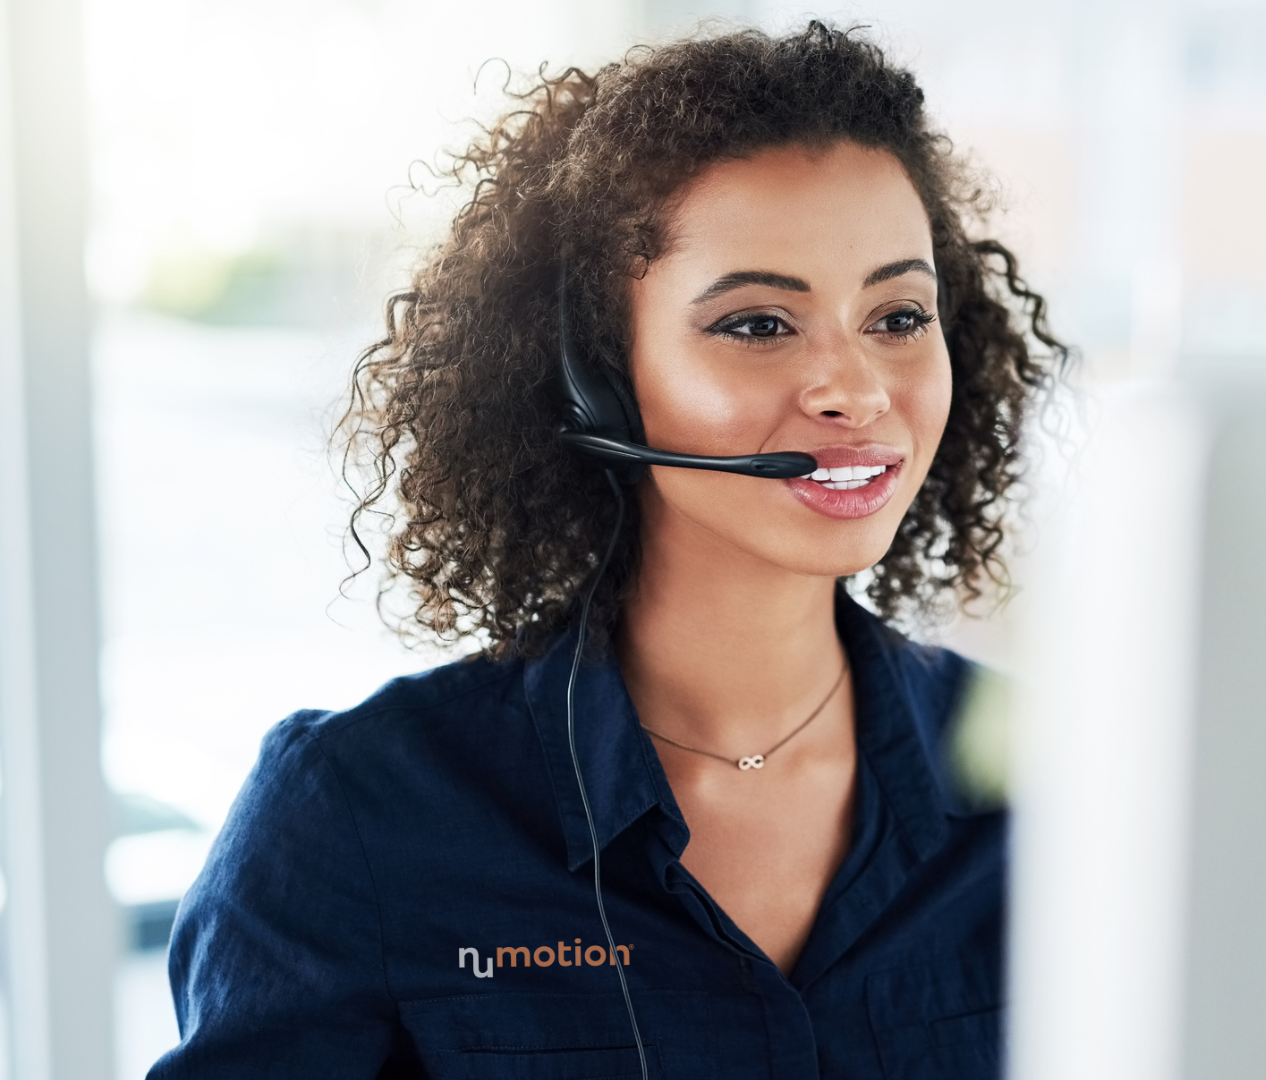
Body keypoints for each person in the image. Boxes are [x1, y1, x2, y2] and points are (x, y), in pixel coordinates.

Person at [149, 22, 1064, 1080]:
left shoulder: (1061, 785)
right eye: (759, 325)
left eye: (899, 316)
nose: (857, 392)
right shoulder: (358, 817)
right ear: (598, 381)